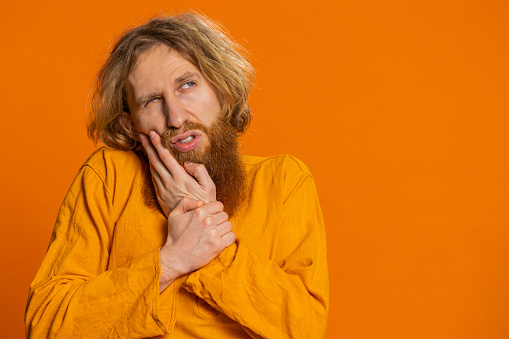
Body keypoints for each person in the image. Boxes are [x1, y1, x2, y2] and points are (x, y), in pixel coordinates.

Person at [25, 12, 329, 338]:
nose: (176, 116)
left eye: (187, 85)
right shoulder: (107, 176)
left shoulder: (282, 181)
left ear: (222, 89)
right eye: (152, 100)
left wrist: (210, 245)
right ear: (131, 124)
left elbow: (305, 329)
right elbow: (46, 326)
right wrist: (172, 260)